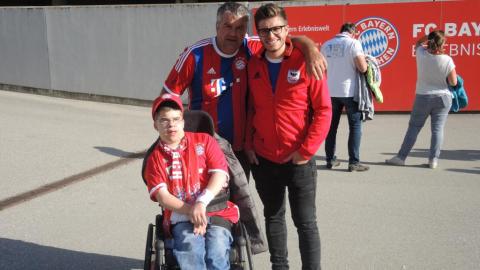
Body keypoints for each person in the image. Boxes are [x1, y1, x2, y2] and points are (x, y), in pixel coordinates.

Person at [160, 2, 327, 179]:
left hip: (240, 151)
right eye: (228, 26)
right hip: (203, 148)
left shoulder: (252, 47)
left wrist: (310, 48)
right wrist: (172, 137)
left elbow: (281, 39)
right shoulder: (195, 55)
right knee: (204, 203)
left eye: (240, 28)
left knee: (238, 205)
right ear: (217, 27)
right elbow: (167, 96)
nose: (234, 33)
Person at [245, 3, 332, 269]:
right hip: (264, 159)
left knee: (306, 223)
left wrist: (305, 151)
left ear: (287, 29)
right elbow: (251, 108)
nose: (271, 36)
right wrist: (249, 145)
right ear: (257, 33)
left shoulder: (305, 61)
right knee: (273, 217)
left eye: (276, 29)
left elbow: (324, 110)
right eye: (264, 31)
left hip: (299, 161)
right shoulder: (253, 64)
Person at [143, 93, 239, 270]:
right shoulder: (155, 158)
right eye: (164, 120)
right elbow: (163, 197)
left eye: (176, 119)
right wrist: (192, 211)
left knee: (216, 250)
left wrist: (201, 204)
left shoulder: (206, 141)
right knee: (191, 249)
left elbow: (220, 175)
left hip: (216, 210)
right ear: (155, 125)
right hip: (181, 215)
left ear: (183, 121)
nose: (171, 124)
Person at [386, 30, 457, 169]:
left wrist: (428, 37)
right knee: (437, 129)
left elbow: (418, 42)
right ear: (443, 43)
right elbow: (453, 82)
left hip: (423, 96)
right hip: (443, 97)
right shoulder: (447, 59)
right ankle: (433, 160)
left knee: (414, 127)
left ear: (429, 41)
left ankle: (401, 157)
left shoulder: (421, 54)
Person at [321, 22, 369, 172]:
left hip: (330, 91)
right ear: (353, 32)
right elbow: (362, 67)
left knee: (331, 128)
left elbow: (323, 67)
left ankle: (330, 160)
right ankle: (353, 162)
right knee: (355, 127)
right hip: (349, 92)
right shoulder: (354, 43)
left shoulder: (326, 44)